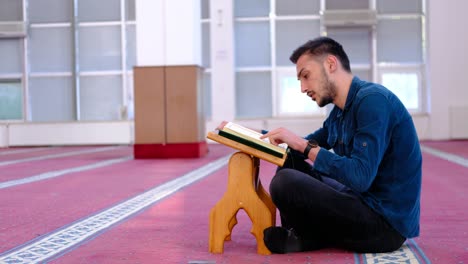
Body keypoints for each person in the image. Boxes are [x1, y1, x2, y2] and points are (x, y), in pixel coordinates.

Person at [257, 37, 422, 253]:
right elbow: (302, 145)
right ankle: (309, 235)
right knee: (290, 162)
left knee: (285, 182)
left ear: (331, 64)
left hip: (383, 224)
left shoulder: (373, 101)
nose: (303, 88)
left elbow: (361, 177)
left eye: (305, 76)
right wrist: (252, 136)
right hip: (357, 200)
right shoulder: (339, 112)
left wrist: (302, 145)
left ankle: (308, 236)